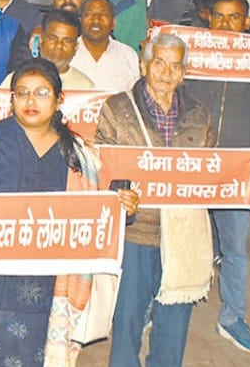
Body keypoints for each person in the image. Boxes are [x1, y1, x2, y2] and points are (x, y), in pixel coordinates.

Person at [0, 58, 139, 366]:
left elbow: (100, 215)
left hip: (50, 292)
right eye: (22, 93)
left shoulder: (78, 154)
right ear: (12, 99)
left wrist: (125, 207)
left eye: (42, 93)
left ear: (59, 99)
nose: (31, 101)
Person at [96, 33, 220, 366]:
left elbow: (213, 167)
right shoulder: (117, 108)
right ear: (144, 65)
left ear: (184, 73)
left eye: (175, 66)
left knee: (174, 324)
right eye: (159, 63)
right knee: (128, 320)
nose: (166, 73)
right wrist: (120, 195)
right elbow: (102, 167)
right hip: (136, 232)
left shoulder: (200, 114)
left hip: (183, 233)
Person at [182, 0, 250, 354]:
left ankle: (233, 317)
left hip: (237, 170)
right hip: (192, 165)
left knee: (235, 249)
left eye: (233, 17)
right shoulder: (191, 57)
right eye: (218, 16)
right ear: (208, 19)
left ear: (246, 22)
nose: (224, 24)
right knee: (174, 240)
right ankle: (156, 308)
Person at [3, 10, 94, 89]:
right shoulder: (16, 80)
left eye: (67, 41)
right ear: (40, 41)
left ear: (75, 48)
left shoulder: (86, 86)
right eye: (52, 39)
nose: (59, 46)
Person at [71, 0, 140, 92]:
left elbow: (135, 95)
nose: (96, 20)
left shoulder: (128, 55)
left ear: (113, 23)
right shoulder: (67, 51)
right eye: (89, 14)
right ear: (80, 21)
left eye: (103, 15)